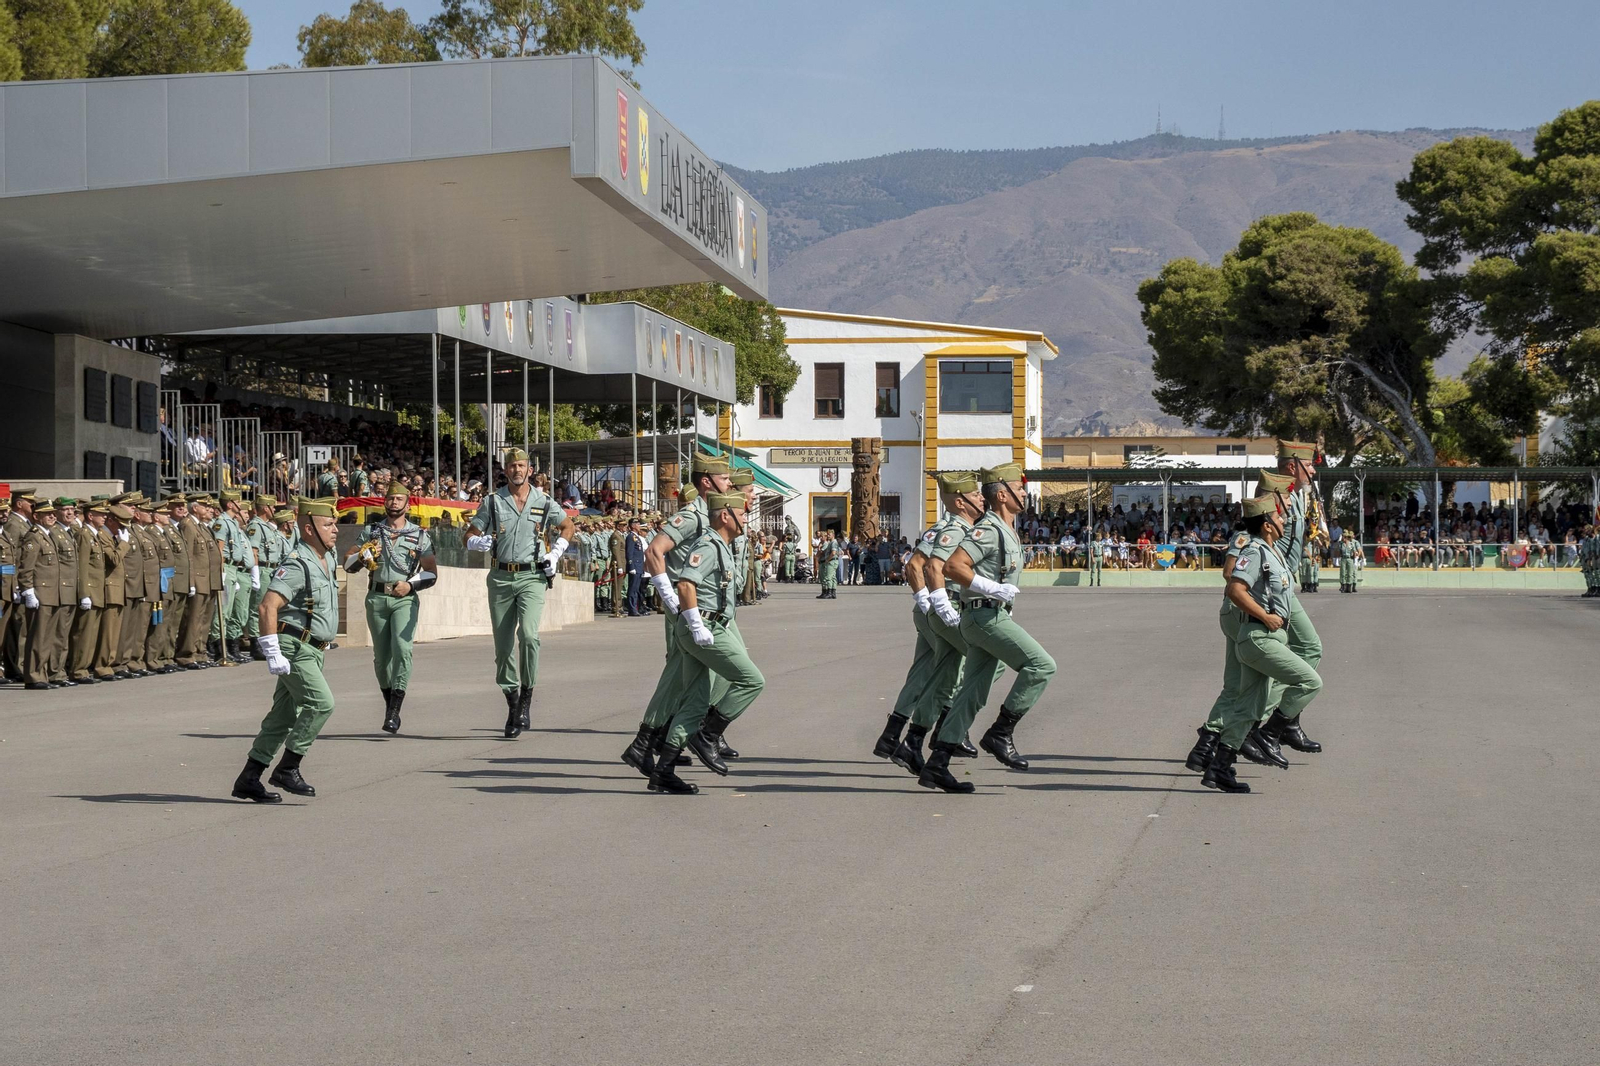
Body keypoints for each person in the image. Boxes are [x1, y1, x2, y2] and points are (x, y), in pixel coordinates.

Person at [921, 464, 1057, 793]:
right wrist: (992, 588)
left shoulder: (1006, 529)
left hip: (984, 616)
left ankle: (937, 764)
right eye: (1018, 488)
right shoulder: (990, 529)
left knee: (972, 693)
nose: (1024, 493)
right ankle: (1000, 732)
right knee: (1041, 666)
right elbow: (953, 566)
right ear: (1002, 495)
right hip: (987, 616)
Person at [620, 452, 732, 776]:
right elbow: (654, 551)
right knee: (688, 675)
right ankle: (670, 738)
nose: (729, 484)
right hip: (688, 608)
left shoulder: (711, 515)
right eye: (724, 478)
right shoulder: (692, 516)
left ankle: (659, 740)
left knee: (692, 675)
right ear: (707, 482)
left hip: (705, 607)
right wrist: (670, 598)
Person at [1203, 494, 1323, 794]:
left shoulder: (1271, 551)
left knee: (1248, 707)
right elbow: (1235, 588)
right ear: (1267, 524)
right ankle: (1271, 733)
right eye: (1278, 517)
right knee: (1310, 681)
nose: (1283, 520)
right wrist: (1265, 616)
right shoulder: (1255, 551)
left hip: (1264, 637)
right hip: (1259, 637)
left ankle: (1219, 768)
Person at [648, 490, 766, 794]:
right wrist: (696, 624)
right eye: (742, 514)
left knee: (696, 701)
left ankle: (663, 771)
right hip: (705, 626)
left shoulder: (721, 545)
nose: (745, 519)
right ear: (725, 515)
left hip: (707, 624)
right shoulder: (709, 545)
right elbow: (686, 583)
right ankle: (708, 734)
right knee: (752, 680)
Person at [232, 498, 343, 803]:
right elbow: (267, 606)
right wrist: (271, 651)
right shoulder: (297, 563)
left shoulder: (327, 557)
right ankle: (287, 768)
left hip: (314, 649)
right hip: (296, 647)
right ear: (308, 529)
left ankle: (249, 778)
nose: (335, 529)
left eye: (334, 524)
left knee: (282, 717)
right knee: (321, 704)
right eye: (328, 524)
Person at [1185, 471, 1295, 774]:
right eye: (1284, 499)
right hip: (1241, 615)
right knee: (1259, 684)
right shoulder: (1248, 538)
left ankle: (1206, 747)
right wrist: (1260, 609)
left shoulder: (1268, 539)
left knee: (1236, 686)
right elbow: (1229, 573)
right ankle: (1244, 734)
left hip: (1243, 614)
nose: (1288, 505)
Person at [875, 471, 985, 775]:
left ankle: (891, 737)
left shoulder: (960, 528)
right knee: (970, 664)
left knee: (923, 672)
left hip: (936, 608)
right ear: (960, 501)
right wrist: (926, 601)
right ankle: (948, 730)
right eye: (975, 495)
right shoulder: (950, 529)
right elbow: (915, 565)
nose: (981, 499)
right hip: (943, 607)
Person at [464, 447, 575, 739]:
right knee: (503, 648)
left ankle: (526, 698)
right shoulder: (493, 501)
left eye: (522, 466)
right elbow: (470, 534)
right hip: (501, 577)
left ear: (530, 470)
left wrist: (556, 553)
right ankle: (512, 703)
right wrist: (475, 542)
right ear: (506, 470)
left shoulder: (544, 501)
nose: (517, 470)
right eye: (512, 466)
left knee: (528, 635)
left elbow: (567, 526)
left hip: (531, 577)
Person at [345, 482, 437, 733]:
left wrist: (410, 585)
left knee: (402, 648)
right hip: (376, 598)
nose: (394, 502)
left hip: (404, 598)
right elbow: (348, 564)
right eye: (390, 498)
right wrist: (363, 556)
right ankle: (390, 705)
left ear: (408, 505)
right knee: (382, 657)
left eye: (399, 499)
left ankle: (395, 711)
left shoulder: (419, 535)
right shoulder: (372, 531)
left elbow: (431, 572)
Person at [17, 501, 63, 689]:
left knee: (46, 638)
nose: (52, 516)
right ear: (36, 516)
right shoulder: (34, 537)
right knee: (38, 636)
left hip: (51, 593)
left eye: (53, 513)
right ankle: (33, 676)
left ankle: (41, 674)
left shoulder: (48, 535)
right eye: (47, 514)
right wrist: (28, 591)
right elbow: (26, 567)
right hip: (40, 594)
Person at [68, 502, 112, 685]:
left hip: (98, 591)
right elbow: (82, 566)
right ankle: (78, 670)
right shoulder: (84, 535)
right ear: (90, 516)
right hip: (90, 591)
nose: (104, 517)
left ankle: (84, 668)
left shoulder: (95, 535)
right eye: (100, 514)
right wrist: (83, 593)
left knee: (92, 634)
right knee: (83, 633)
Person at [625, 517, 647, 615]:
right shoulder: (631, 537)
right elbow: (629, 553)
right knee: (633, 588)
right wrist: (631, 566)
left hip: (639, 566)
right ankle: (632, 609)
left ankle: (635, 608)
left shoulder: (636, 537)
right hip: (634, 566)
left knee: (636, 589)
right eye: (637, 524)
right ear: (633, 526)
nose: (639, 526)